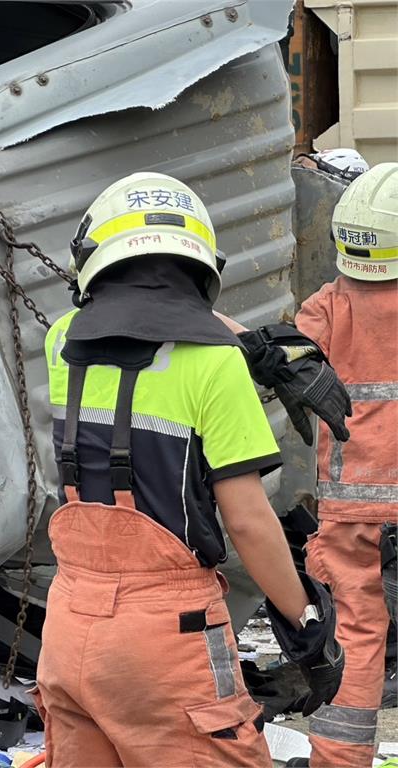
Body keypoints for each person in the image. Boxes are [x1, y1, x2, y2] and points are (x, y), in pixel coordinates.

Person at [34, 172, 344, 766]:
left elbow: (143, 313)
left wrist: (247, 343)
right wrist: (305, 624)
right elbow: (250, 521)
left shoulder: (62, 341)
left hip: (70, 621)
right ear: (202, 265)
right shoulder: (215, 365)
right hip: (166, 636)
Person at [292, 162, 398, 767]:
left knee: (355, 643)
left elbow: (281, 360)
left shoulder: (327, 305)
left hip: (352, 515)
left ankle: (338, 761)